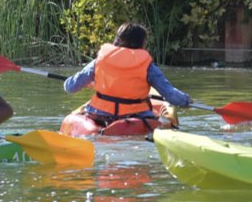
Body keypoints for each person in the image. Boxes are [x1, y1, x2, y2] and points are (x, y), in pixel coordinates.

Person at [63, 22, 191, 128]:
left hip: (99, 115)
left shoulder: (101, 59)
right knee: (166, 123)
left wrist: (91, 80)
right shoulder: (148, 66)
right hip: (136, 116)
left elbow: (70, 87)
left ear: (118, 39)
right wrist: (186, 100)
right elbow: (170, 95)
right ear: (142, 43)